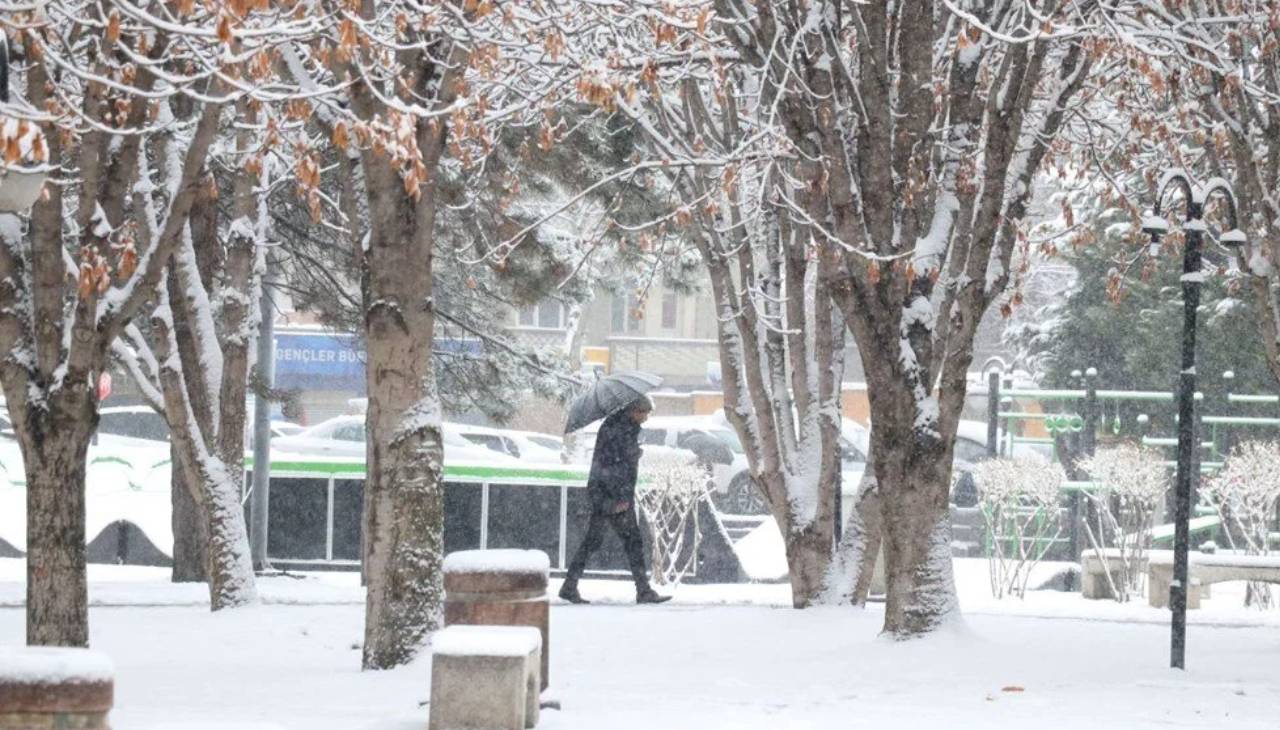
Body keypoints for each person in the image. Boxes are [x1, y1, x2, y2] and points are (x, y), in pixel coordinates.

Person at [559, 396, 672, 605]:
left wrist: (633, 454)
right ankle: (643, 590)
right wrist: (620, 498)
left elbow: (613, 460)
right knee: (632, 543)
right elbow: (614, 465)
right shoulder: (620, 429)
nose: (646, 418)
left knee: (595, 541)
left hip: (605, 492)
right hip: (613, 495)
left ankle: (569, 585)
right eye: (644, 413)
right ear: (634, 411)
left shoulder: (618, 426)